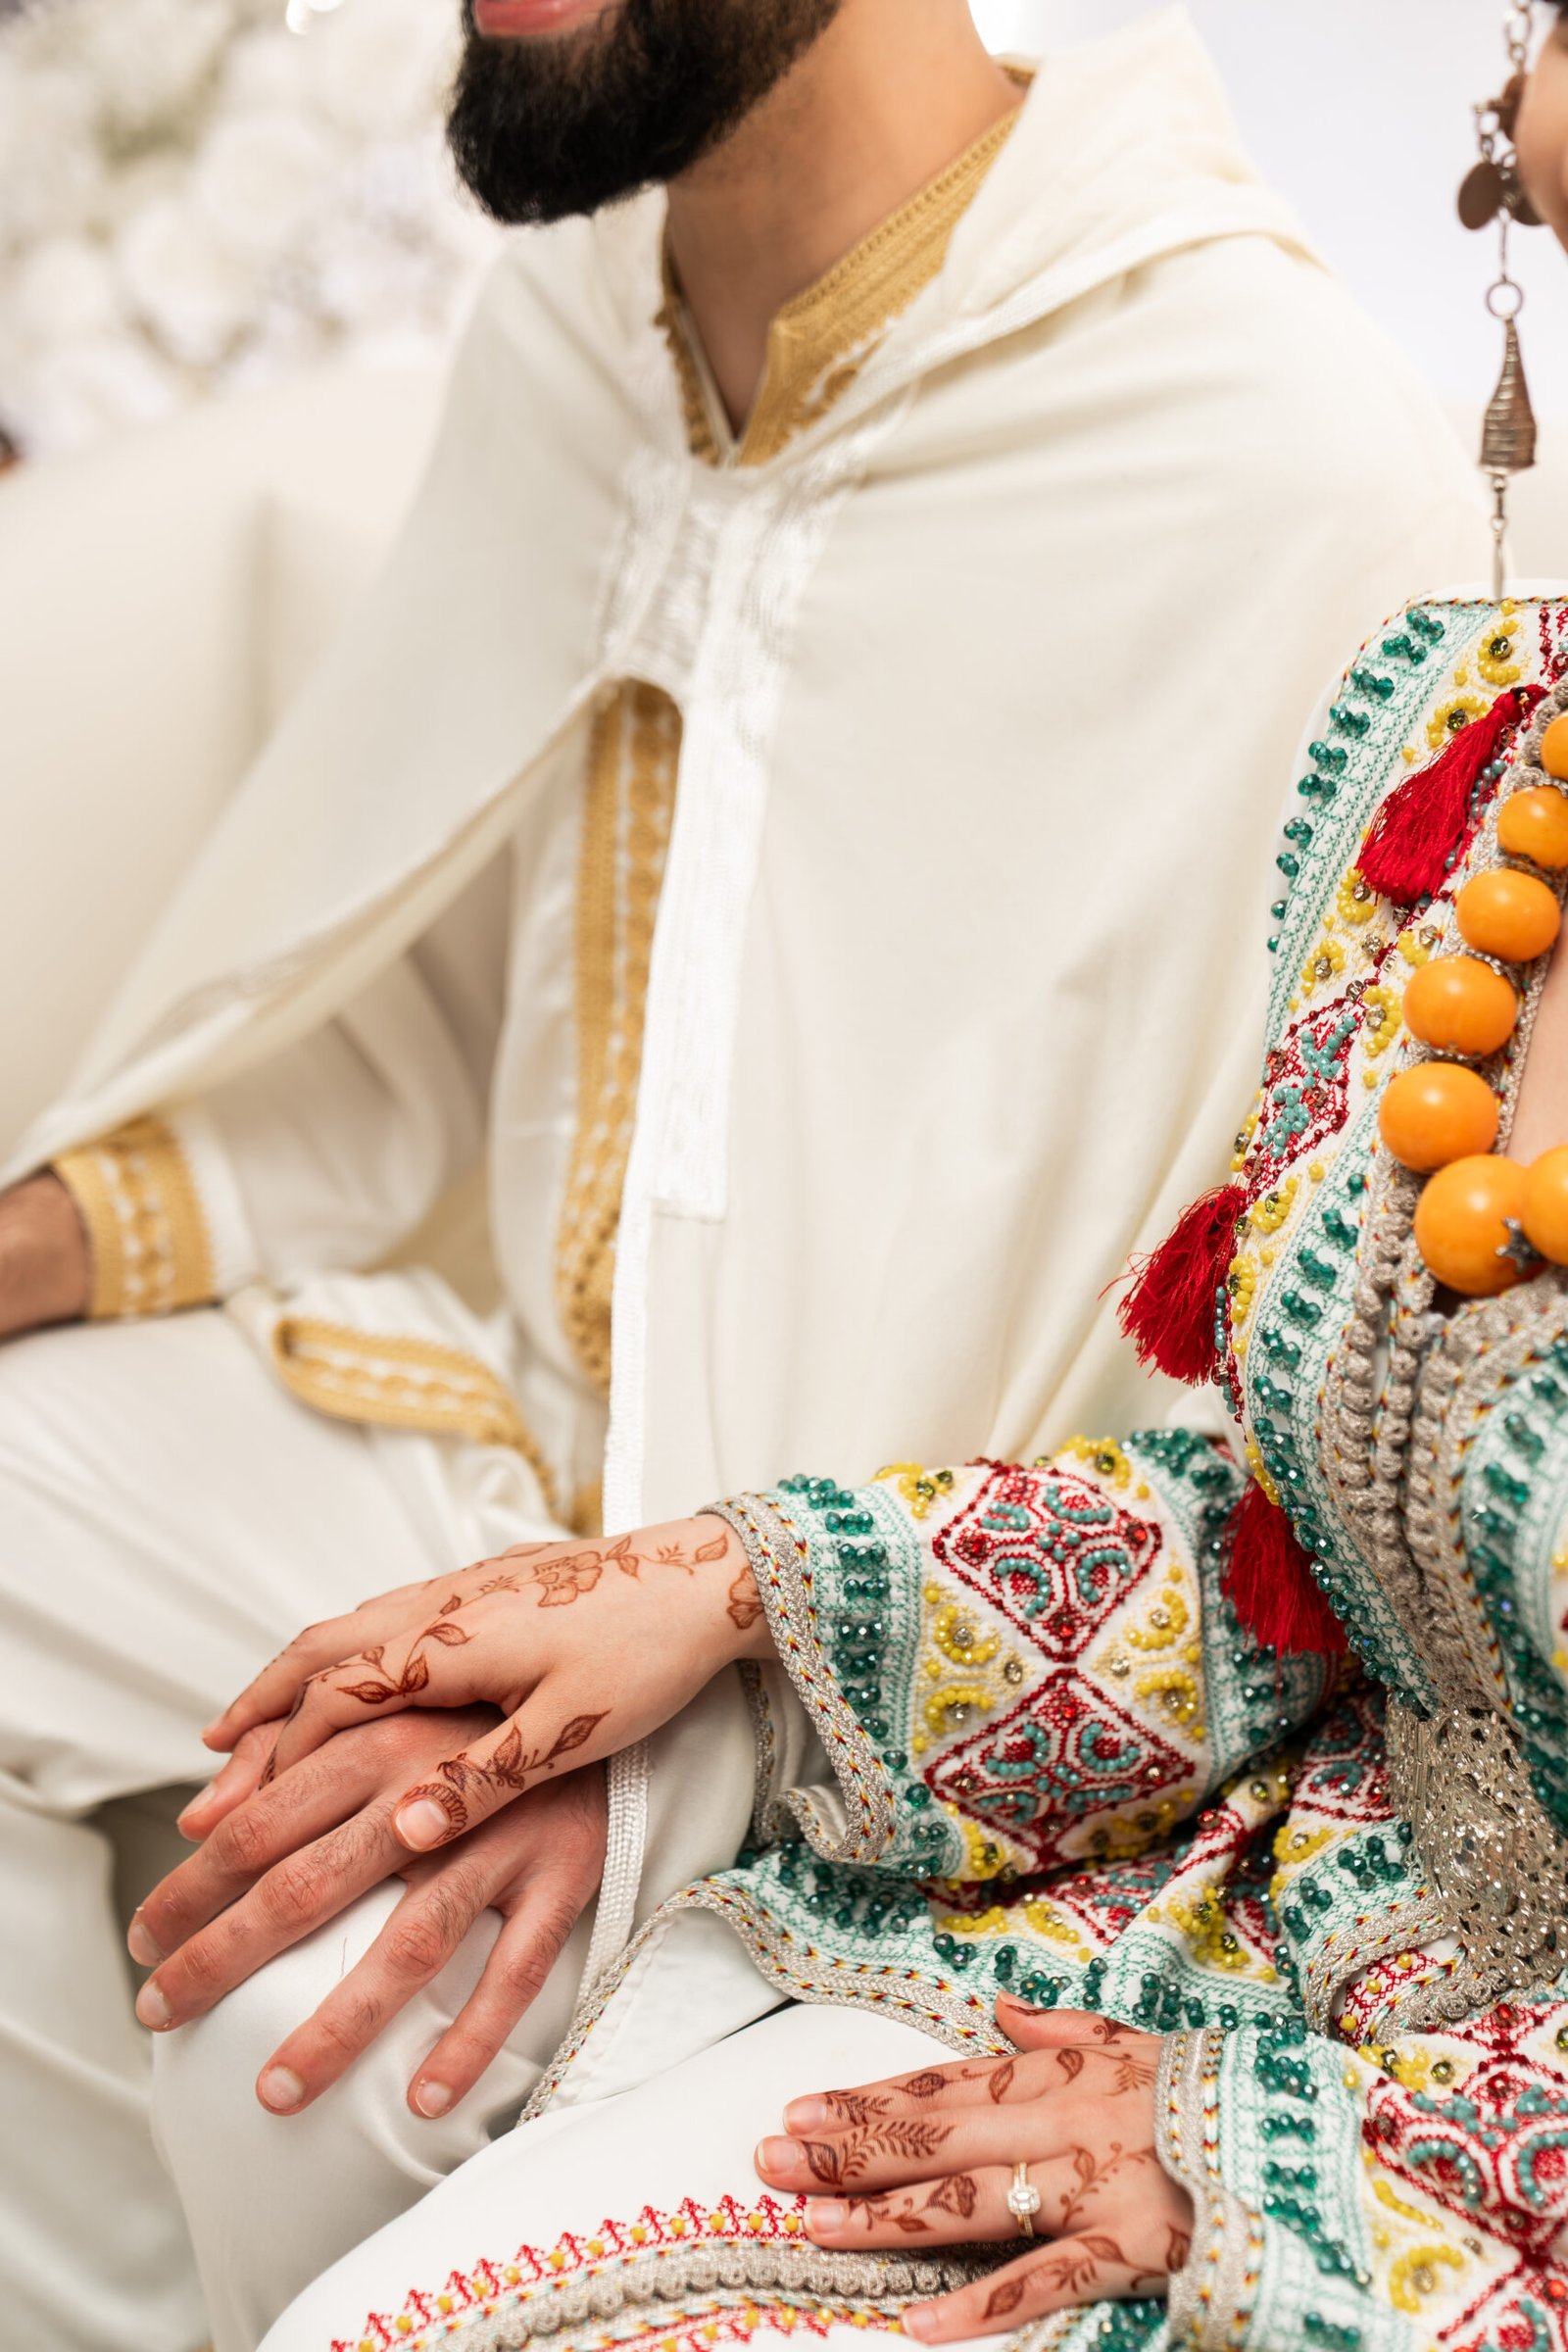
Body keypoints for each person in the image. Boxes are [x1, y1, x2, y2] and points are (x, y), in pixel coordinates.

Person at [0, 1, 1486, 2347]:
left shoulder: (1280, 463)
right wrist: (47, 1236)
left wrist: (729, 1654)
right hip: (502, 1437)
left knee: (314, 2036)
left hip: (871, 1612)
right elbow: (405, 986)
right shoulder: (573, 328)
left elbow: (1310, 1437)